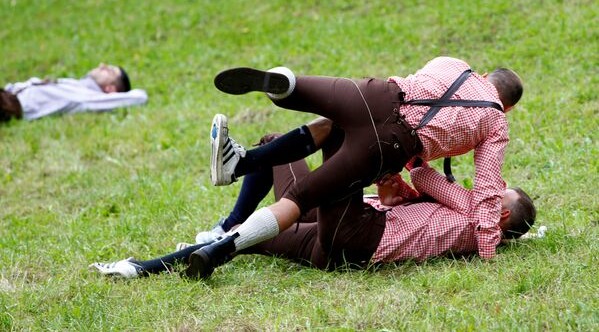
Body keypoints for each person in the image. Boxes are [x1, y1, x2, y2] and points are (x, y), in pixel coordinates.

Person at [195, 56, 523, 277]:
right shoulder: (495, 122)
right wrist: (488, 249)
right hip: (391, 142)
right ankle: (227, 238)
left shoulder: (453, 63)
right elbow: (486, 190)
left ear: (483, 75)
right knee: (301, 198)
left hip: (380, 95)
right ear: (506, 107)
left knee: (316, 105)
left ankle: (285, 91)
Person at [88, 127, 536, 279]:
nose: (489, 191)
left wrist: (425, 155)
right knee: (247, 240)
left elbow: (422, 172)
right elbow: (413, 198)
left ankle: (297, 95)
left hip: (358, 235)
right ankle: (141, 267)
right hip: (334, 251)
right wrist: (393, 192)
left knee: (343, 134)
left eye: (498, 193)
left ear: (499, 214)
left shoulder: (482, 217)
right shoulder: (472, 223)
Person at [0, 63, 148, 122]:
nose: (102, 65)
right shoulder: (78, 85)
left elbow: (140, 97)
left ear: (110, 89)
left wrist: (113, 98)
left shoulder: (89, 98)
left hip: (10, 105)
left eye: (109, 71)